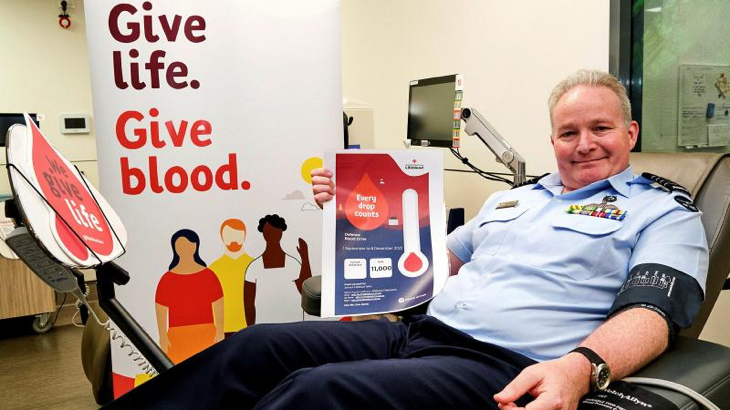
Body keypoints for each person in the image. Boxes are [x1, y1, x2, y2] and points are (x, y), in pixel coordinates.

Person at [107, 70, 707, 409]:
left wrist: (580, 370)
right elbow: (428, 262)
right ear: (552, 140)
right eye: (567, 131)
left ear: (628, 132)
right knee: (251, 347)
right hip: (413, 333)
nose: (584, 144)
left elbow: (652, 315)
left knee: (315, 395)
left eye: (600, 128)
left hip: (500, 366)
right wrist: (352, 216)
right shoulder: (515, 199)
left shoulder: (662, 213)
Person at [155, 229, 225, 364]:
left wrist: (220, 332)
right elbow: (161, 309)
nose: (183, 249)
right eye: (179, 246)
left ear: (194, 246)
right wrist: (163, 336)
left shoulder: (209, 276)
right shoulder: (167, 279)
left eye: (186, 245)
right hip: (177, 337)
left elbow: (218, 304)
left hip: (206, 333)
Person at [244, 214, 313, 324]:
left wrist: (305, 257)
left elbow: (306, 292)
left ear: (281, 233)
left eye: (275, 232)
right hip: (264, 329)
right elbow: (248, 305)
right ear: (264, 234)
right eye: (269, 232)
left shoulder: (292, 264)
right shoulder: (254, 267)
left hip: (293, 327)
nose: (273, 235)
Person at [209, 219, 255, 337]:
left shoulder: (253, 265)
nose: (233, 240)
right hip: (223, 330)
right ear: (222, 237)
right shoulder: (213, 269)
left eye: (238, 235)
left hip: (251, 329)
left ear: (244, 236)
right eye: (229, 235)